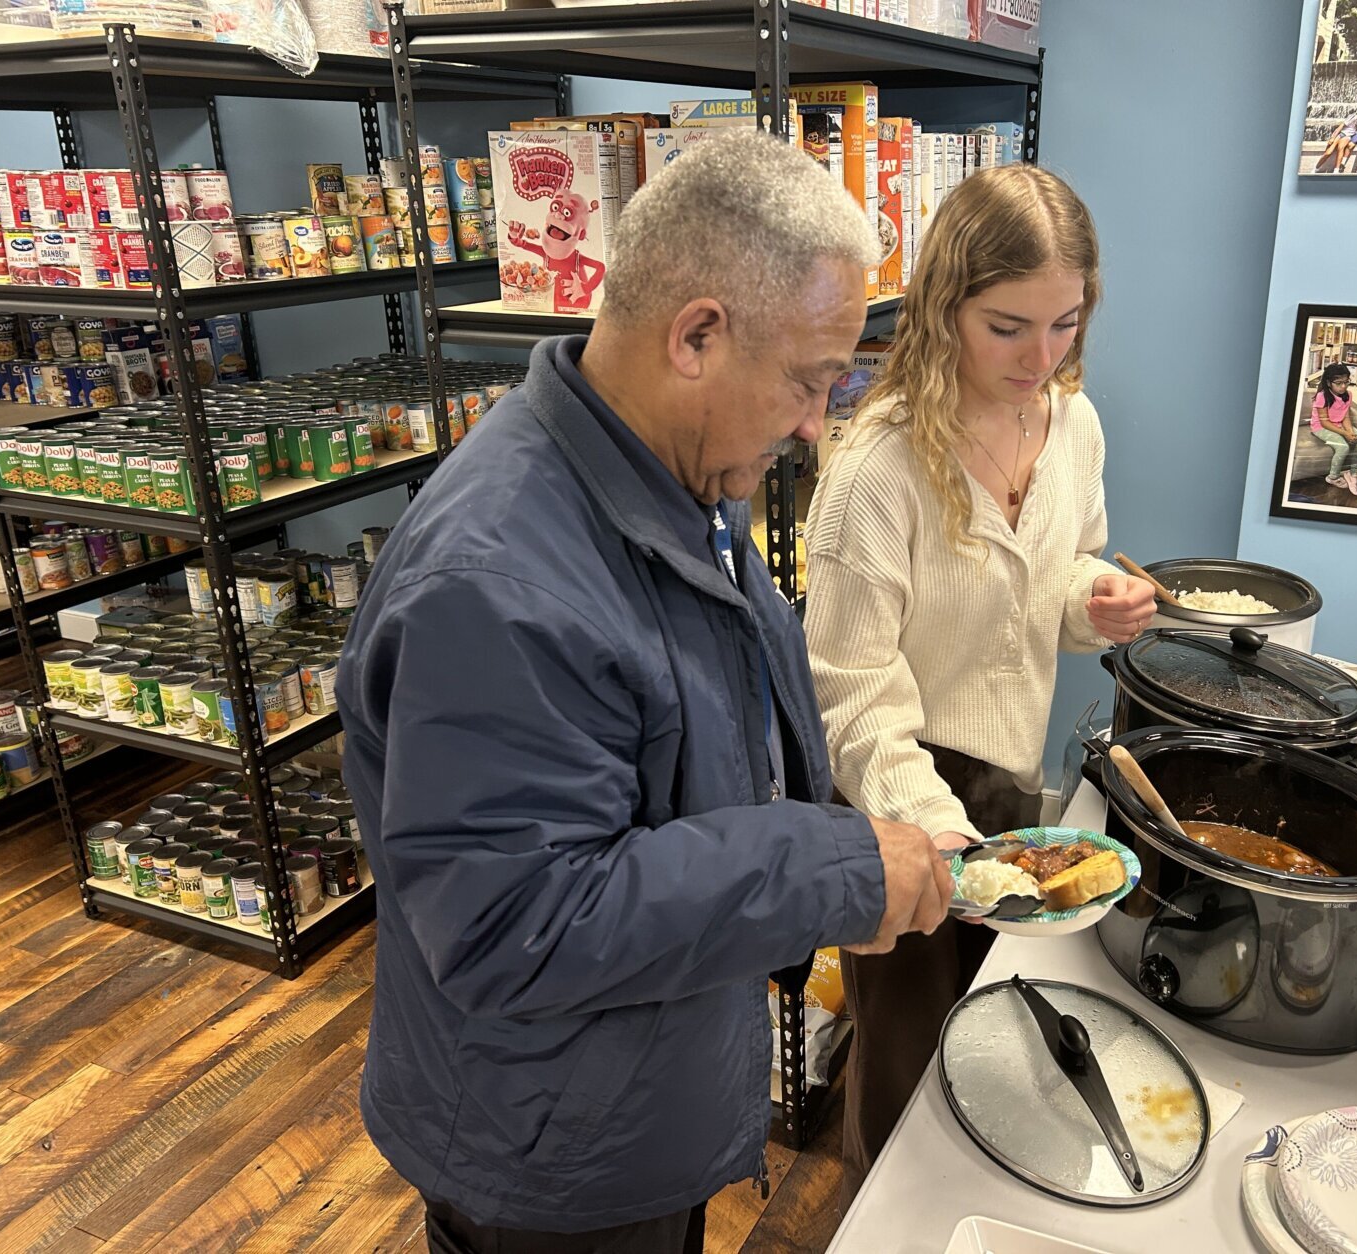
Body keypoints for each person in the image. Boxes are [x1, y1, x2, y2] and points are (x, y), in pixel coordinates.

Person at [336, 131, 955, 1254]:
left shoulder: (672, 471)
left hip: (630, 1090)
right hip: (548, 1151)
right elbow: (514, 922)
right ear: (698, 335)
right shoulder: (496, 584)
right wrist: (830, 867)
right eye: (810, 381)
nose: (819, 423)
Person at [800, 165, 1157, 1203]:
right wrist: (934, 838)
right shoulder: (878, 469)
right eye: (1007, 327)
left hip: (1010, 775)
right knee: (903, 1058)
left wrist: (1098, 603)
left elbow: (1058, 576)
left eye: (1065, 324)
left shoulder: (1071, 424)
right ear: (940, 303)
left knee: (993, 1036)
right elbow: (851, 695)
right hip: (899, 795)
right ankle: (888, 1217)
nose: (1039, 358)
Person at [1310, 362, 1357, 495]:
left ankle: (1353, 474)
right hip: (1321, 427)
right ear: (1329, 383)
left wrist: (1350, 432)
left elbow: (1345, 417)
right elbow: (1324, 422)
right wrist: (1345, 434)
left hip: (1339, 424)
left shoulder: (1348, 394)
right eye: (1338, 383)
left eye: (1346, 382)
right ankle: (1332, 477)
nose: (1343, 386)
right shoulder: (1322, 396)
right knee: (1343, 447)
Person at [1319, 105, 1357, 174]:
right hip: (1342, 134)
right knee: (1328, 152)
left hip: (1348, 137)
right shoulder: (1355, 116)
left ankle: (1337, 169)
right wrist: (1332, 137)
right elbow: (1341, 126)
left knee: (1340, 148)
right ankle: (1317, 168)